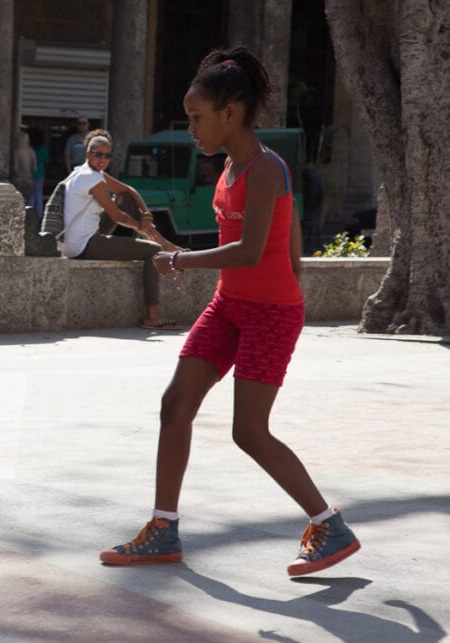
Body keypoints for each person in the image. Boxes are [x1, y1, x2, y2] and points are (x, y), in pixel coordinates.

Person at [99, 48, 360, 576]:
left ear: (231, 112)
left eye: (197, 117)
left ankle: (328, 523)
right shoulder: (229, 169)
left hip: (270, 313)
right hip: (230, 305)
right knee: (176, 406)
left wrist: (183, 259)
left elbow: (252, 250)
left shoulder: (266, 169)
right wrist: (180, 253)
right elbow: (288, 248)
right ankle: (163, 528)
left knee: (249, 431)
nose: (192, 127)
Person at [60, 128, 182, 330]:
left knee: (125, 199)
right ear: (88, 153)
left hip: (76, 239)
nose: (102, 159)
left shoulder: (83, 172)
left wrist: (146, 216)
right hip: (82, 244)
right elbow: (117, 216)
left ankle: (165, 243)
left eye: (107, 155)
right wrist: (141, 225)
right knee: (152, 251)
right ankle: (152, 316)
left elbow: (128, 190)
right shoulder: (91, 178)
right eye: (98, 154)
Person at [11, 129, 36, 203]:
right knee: (26, 201)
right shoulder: (31, 151)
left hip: (18, 178)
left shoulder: (17, 151)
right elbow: (34, 168)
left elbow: (16, 167)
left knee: (18, 201)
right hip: (29, 178)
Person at [29, 128, 49, 215]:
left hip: (30, 173)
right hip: (40, 173)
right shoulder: (43, 148)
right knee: (39, 194)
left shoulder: (29, 148)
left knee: (31, 195)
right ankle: (40, 214)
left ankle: (30, 214)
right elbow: (46, 160)